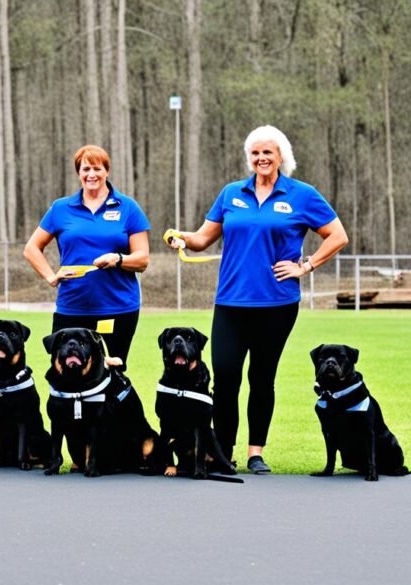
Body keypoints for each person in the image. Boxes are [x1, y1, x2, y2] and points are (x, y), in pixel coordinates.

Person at [164, 125, 348, 474]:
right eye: (256, 153)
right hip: (231, 302)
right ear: (249, 157)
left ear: (281, 156)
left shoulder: (302, 195)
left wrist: (305, 266)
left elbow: (337, 236)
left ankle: (255, 453)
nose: (262, 159)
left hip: (276, 304)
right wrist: (182, 238)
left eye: (269, 152)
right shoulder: (232, 193)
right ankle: (223, 452)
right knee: (227, 376)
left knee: (262, 378)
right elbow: (204, 238)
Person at [24, 144, 150, 367]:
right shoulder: (61, 208)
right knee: (65, 374)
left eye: (97, 168)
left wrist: (117, 259)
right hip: (72, 307)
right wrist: (51, 277)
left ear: (106, 171)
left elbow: (142, 259)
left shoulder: (128, 207)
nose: (91, 174)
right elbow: (31, 248)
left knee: (112, 374)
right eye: (85, 169)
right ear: (78, 173)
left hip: (118, 308)